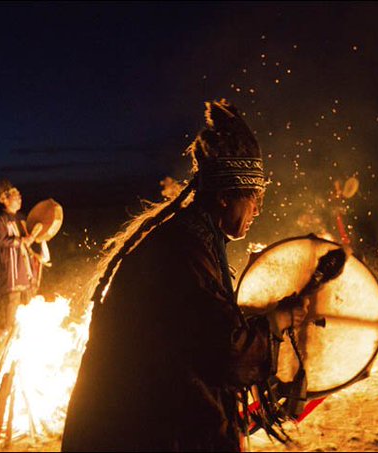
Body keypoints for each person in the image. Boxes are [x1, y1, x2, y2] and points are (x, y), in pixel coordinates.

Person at [62, 100, 310, 452]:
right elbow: (226, 354)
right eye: (252, 198)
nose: (257, 209)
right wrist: (277, 320)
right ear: (225, 198)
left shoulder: (191, 241)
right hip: (139, 433)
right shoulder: (181, 253)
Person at [0, 179, 39, 330]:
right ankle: (10, 329)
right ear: (5, 200)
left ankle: (29, 328)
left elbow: (28, 237)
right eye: (15, 197)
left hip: (25, 264)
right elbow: (0, 240)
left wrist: (32, 238)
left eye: (20, 196)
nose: (19, 199)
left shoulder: (23, 218)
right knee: (14, 298)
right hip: (12, 265)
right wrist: (21, 240)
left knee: (30, 295)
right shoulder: (1, 220)